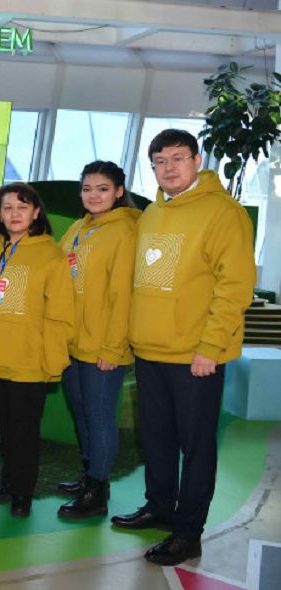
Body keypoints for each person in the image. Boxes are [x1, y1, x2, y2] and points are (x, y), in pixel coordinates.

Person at [111, 129, 255, 566]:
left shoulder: (224, 213)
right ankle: (160, 506)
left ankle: (188, 532)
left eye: (177, 158)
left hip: (195, 355)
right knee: (155, 438)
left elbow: (234, 287)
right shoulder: (153, 212)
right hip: (149, 351)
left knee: (195, 446)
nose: (168, 168)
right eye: (159, 161)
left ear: (196, 160)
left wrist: (210, 347)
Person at [0, 182, 74, 518]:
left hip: (30, 359)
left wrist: (53, 360)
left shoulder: (51, 254)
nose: (14, 214)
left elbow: (61, 313)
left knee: (24, 431)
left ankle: (22, 493)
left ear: (35, 213)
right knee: (5, 425)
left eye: (22, 207)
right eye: (7, 208)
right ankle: (9, 480)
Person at [56, 161, 140, 519]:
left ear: (119, 192)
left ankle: (98, 492)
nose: (93, 195)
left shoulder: (125, 232)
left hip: (103, 346)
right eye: (87, 188)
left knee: (99, 416)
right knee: (82, 412)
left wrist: (113, 348)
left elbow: (123, 295)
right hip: (73, 342)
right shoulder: (79, 227)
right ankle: (90, 475)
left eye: (102, 189)